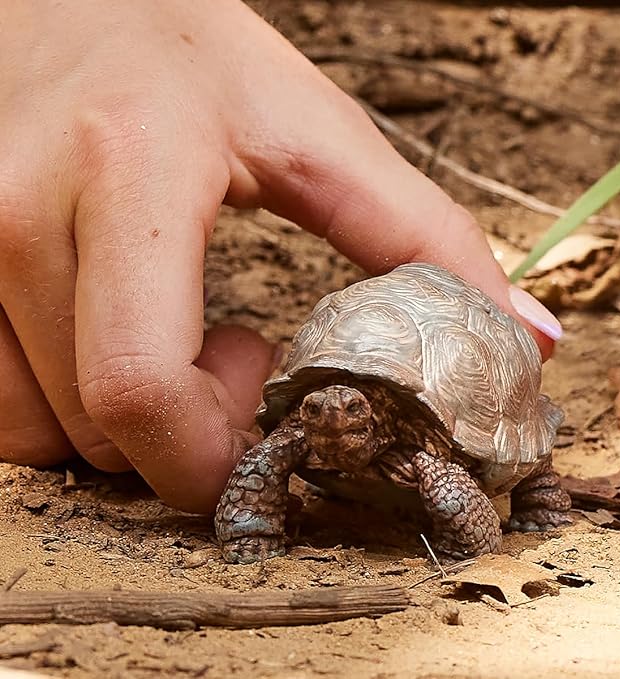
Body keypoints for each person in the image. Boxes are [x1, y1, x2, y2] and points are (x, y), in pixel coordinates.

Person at [0, 1, 561, 514]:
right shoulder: (303, 429)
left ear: (372, 417)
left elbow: (456, 489)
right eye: (316, 410)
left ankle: (541, 497)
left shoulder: (425, 451)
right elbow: (264, 458)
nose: (330, 420)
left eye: (346, 412)